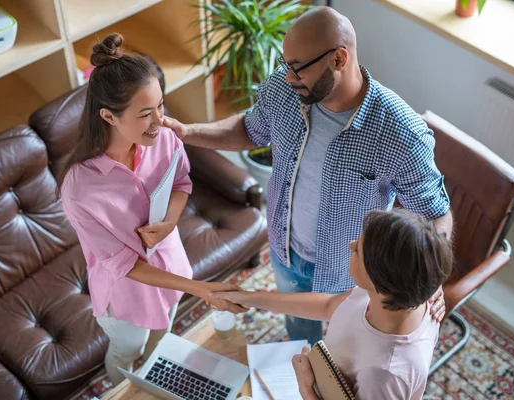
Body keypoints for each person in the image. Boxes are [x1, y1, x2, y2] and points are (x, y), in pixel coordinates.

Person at [164, 6, 452, 344]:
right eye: (287, 65)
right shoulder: (286, 89)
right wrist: (185, 131)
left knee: (348, 345)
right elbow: (250, 130)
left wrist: (430, 281)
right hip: (287, 250)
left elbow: (435, 216)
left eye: (298, 68)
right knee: (300, 333)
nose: (288, 77)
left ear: (339, 60)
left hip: (355, 270)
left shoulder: (400, 133)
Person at [57, 33, 245, 386]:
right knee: (129, 349)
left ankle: (155, 382)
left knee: (163, 338)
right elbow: (124, 264)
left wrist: (171, 220)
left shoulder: (166, 136)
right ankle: (124, 389)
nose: (161, 120)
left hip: (172, 263)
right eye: (146, 114)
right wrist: (200, 289)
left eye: (161, 105)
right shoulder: (79, 189)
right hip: (125, 294)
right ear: (109, 117)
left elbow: (181, 182)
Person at [212, 208, 453, 399]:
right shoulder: (398, 293)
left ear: (379, 278)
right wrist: (248, 297)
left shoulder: (384, 373)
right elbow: (329, 306)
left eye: (358, 250)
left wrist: (306, 388)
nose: (350, 245)